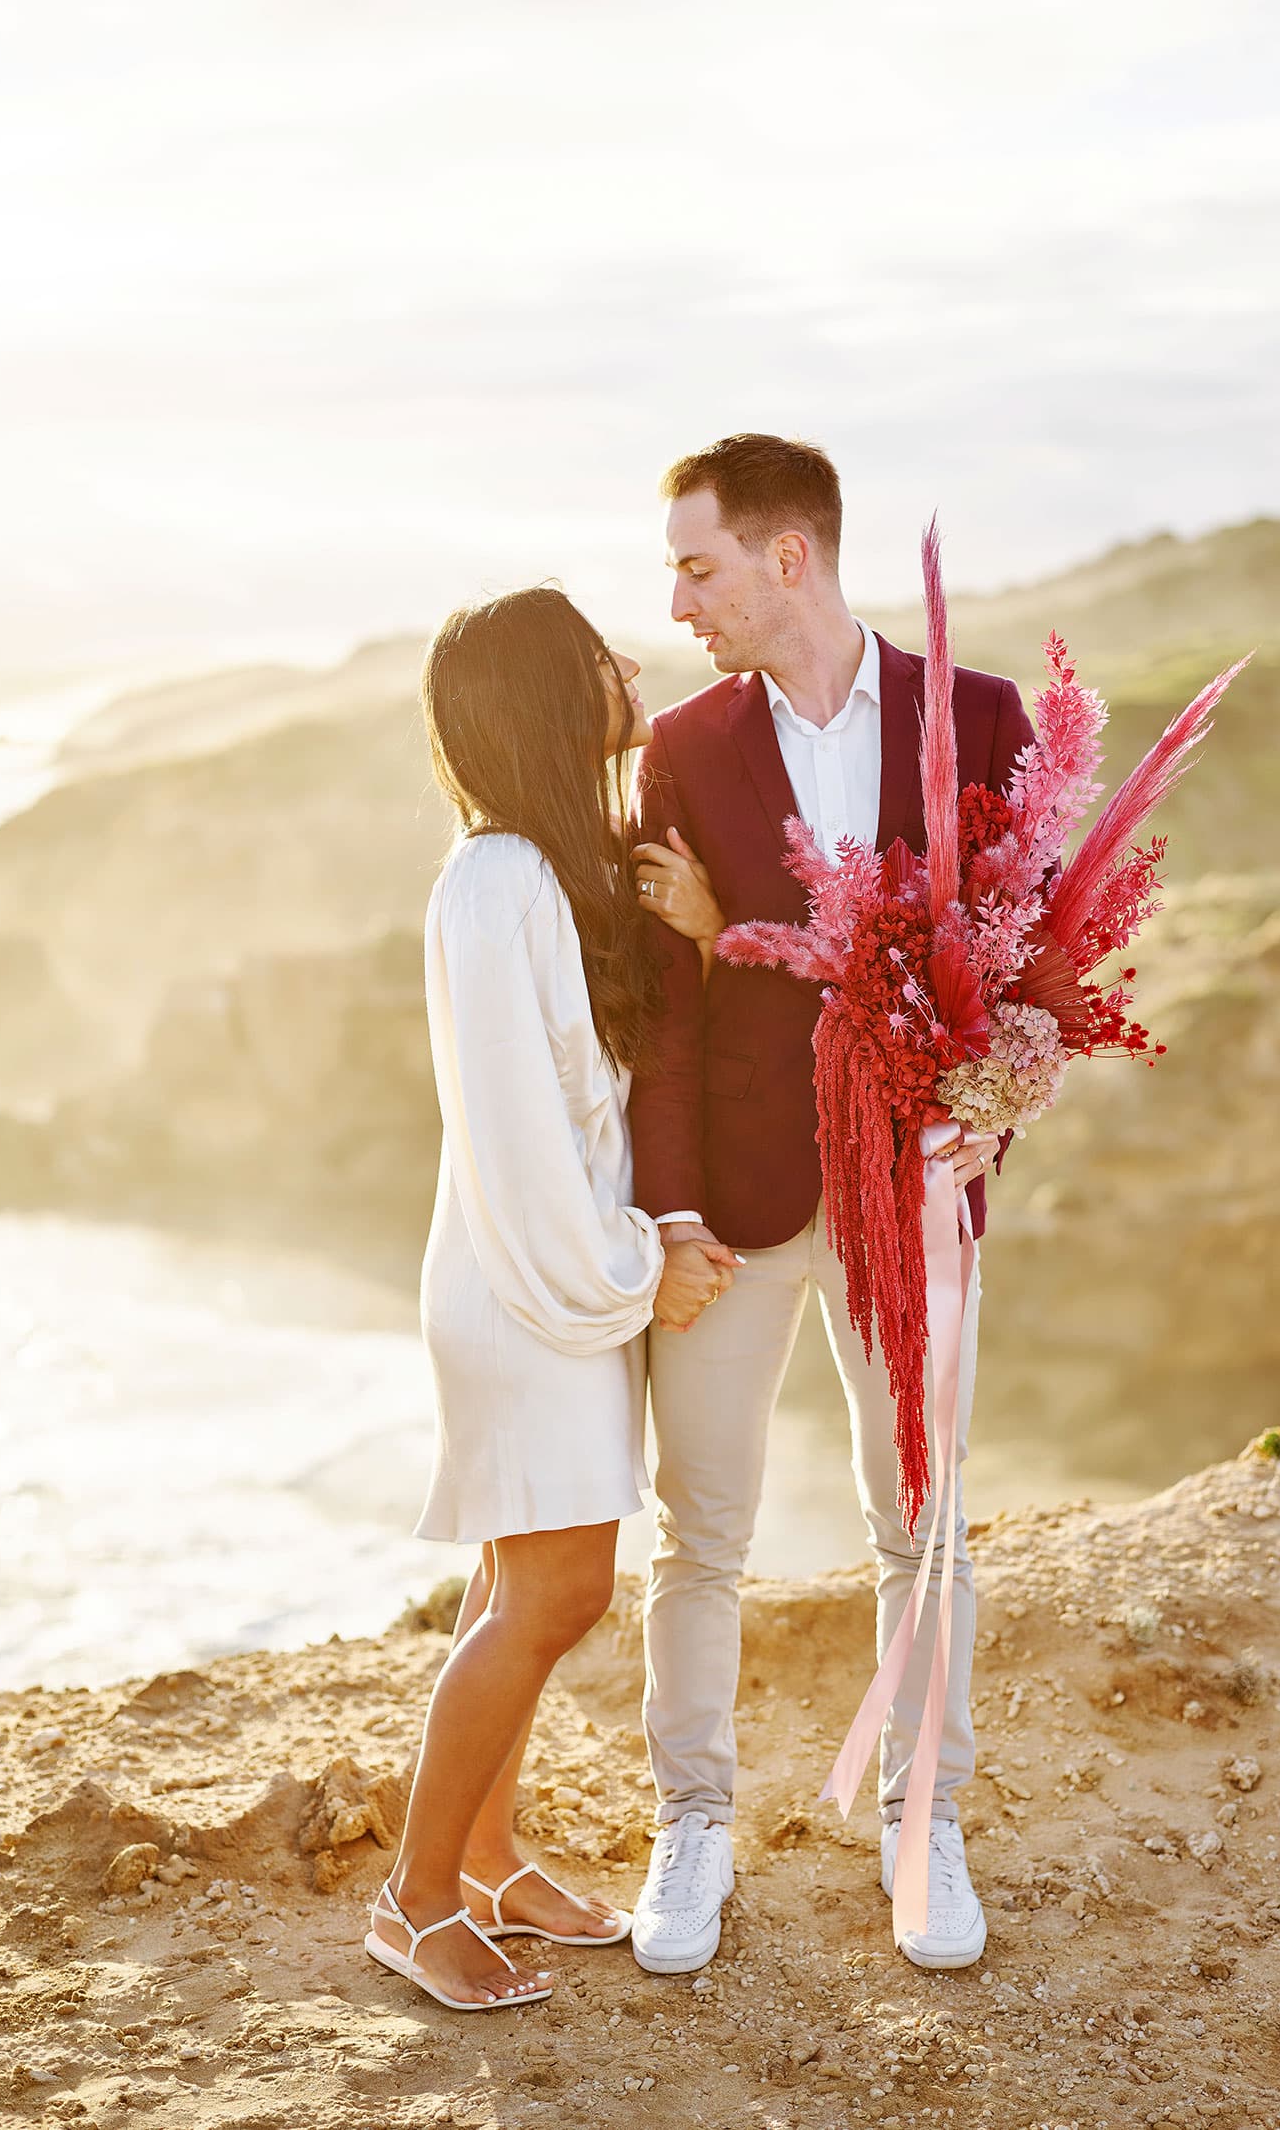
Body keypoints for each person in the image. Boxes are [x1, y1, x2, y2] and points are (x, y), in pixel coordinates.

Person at [623, 434, 1035, 1975]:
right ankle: (694, 1821)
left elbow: (1016, 966)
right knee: (700, 1530)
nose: (678, 599)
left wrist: (987, 1124)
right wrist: (666, 1210)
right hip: (734, 1199)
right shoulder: (678, 745)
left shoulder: (979, 720)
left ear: (787, 555)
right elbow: (668, 1008)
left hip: (912, 1191)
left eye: (698, 564)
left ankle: (925, 1814)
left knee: (922, 1526)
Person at [365, 586, 737, 2012]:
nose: (628, 663)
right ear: (545, 692)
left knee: (511, 1583)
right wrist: (645, 1266)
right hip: (531, 1291)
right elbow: (521, 1143)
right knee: (562, 1589)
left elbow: (590, 1110)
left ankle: (490, 1860)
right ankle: (412, 1903)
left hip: (546, 1277)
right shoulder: (496, 881)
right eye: (598, 655)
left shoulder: (543, 868)